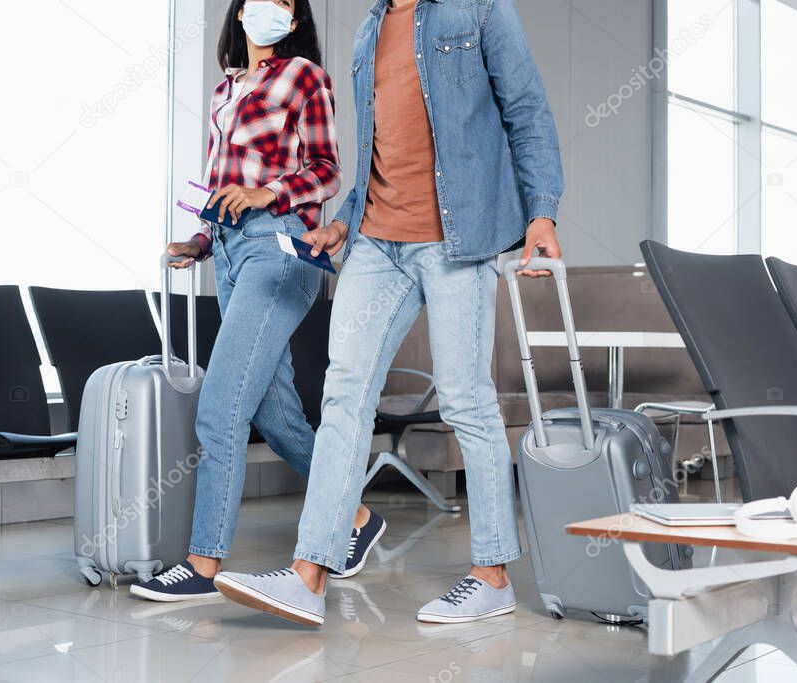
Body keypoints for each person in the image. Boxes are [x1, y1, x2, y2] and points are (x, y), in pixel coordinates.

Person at [213, 0, 565, 626]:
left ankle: (492, 574)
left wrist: (542, 211)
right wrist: (344, 221)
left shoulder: (479, 10)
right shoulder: (368, 33)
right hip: (377, 242)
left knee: (465, 401)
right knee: (344, 395)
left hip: (460, 240)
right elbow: (376, 149)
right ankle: (309, 574)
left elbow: (527, 109)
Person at [131, 0, 384, 603]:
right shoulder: (225, 90)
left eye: (286, 3)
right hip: (233, 253)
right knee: (276, 418)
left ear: (294, 21)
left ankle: (202, 564)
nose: (271, 9)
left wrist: (265, 191)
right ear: (239, 12)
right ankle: (356, 519)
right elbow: (226, 187)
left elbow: (326, 171)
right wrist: (202, 238)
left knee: (220, 410)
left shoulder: (305, 77)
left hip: (282, 250)